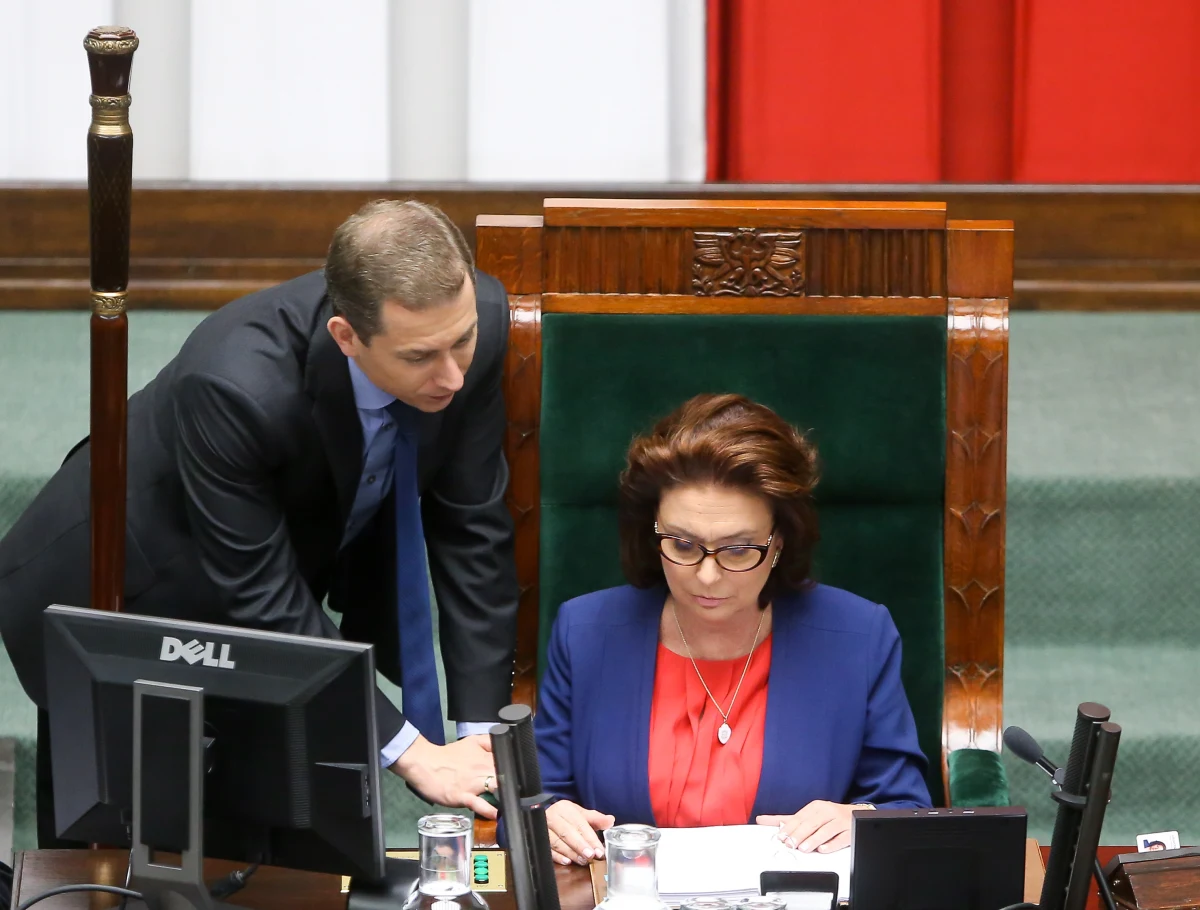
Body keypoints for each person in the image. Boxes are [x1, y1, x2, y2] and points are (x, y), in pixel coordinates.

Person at [0, 200, 517, 844]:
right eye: (420, 357)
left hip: (280, 565)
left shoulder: (479, 321)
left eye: (460, 341)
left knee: (298, 840)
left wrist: (482, 737)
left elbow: (474, 537)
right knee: (137, 850)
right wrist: (414, 753)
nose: (452, 375)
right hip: (128, 591)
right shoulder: (234, 383)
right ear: (345, 336)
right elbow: (261, 596)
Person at [534, 393, 932, 866]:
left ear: (779, 542)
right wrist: (549, 815)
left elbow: (906, 807)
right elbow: (534, 796)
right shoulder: (586, 632)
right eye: (682, 544)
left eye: (739, 550)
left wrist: (859, 819)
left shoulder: (858, 635)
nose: (707, 576)